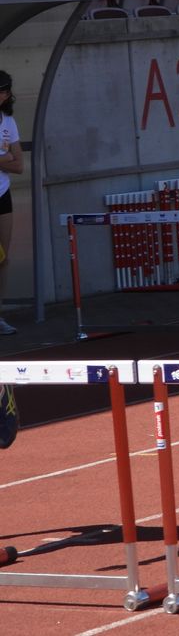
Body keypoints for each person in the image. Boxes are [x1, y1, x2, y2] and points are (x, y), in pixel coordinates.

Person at [0, 70, 23, 447]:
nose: (2, 96)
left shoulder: (8, 122)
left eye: (4, 91)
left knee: (2, 258)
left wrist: (2, 157)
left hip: (2, 196)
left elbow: (18, 164)